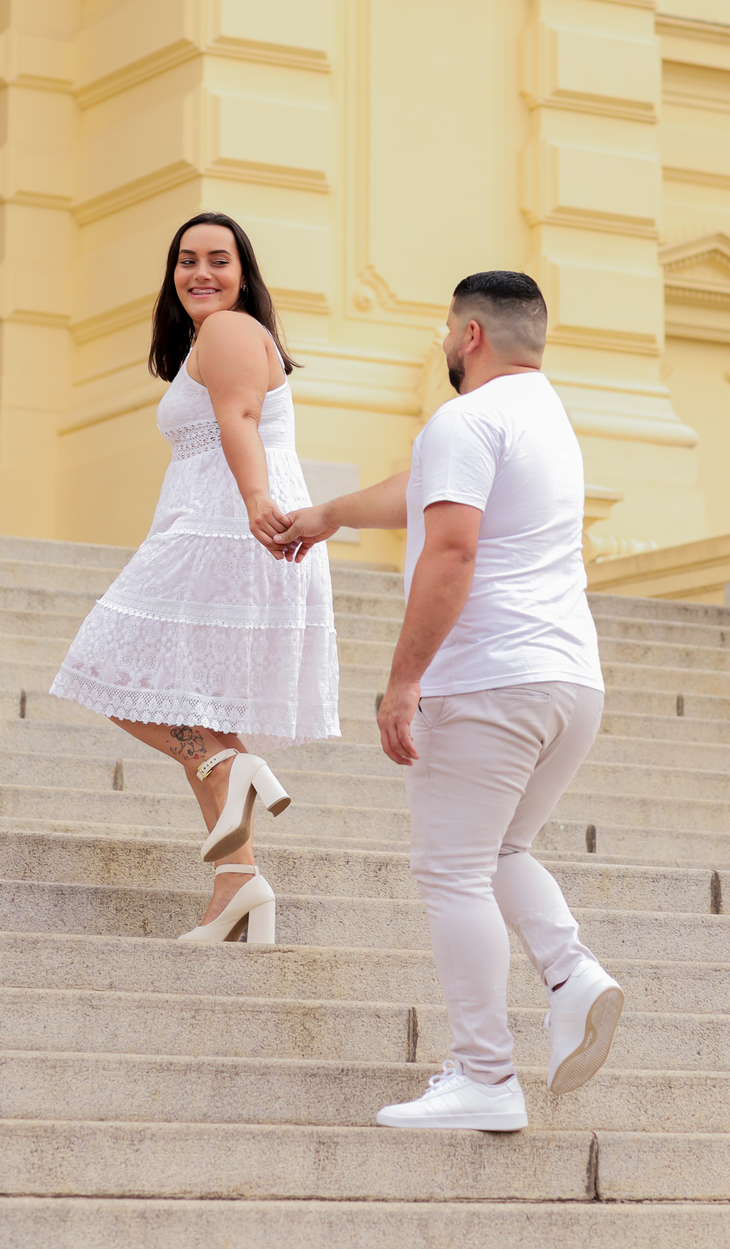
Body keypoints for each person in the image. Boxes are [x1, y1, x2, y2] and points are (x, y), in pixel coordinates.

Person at [277, 270, 620, 1129]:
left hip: (488, 681)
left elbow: (452, 549)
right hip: (569, 680)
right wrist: (326, 515)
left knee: (453, 869)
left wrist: (404, 681)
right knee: (503, 848)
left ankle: (486, 1076)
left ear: (468, 336)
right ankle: (573, 975)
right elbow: (422, 493)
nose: (441, 343)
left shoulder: (465, 418)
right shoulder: (548, 421)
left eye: (444, 329)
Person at [51, 211, 339, 945]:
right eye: (187, 260)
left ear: (244, 275)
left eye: (219, 259)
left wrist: (253, 503)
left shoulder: (230, 331)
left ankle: (227, 768)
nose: (200, 273)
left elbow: (241, 419)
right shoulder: (211, 339)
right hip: (222, 527)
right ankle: (238, 882)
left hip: (229, 529)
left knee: (107, 664)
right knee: (189, 701)